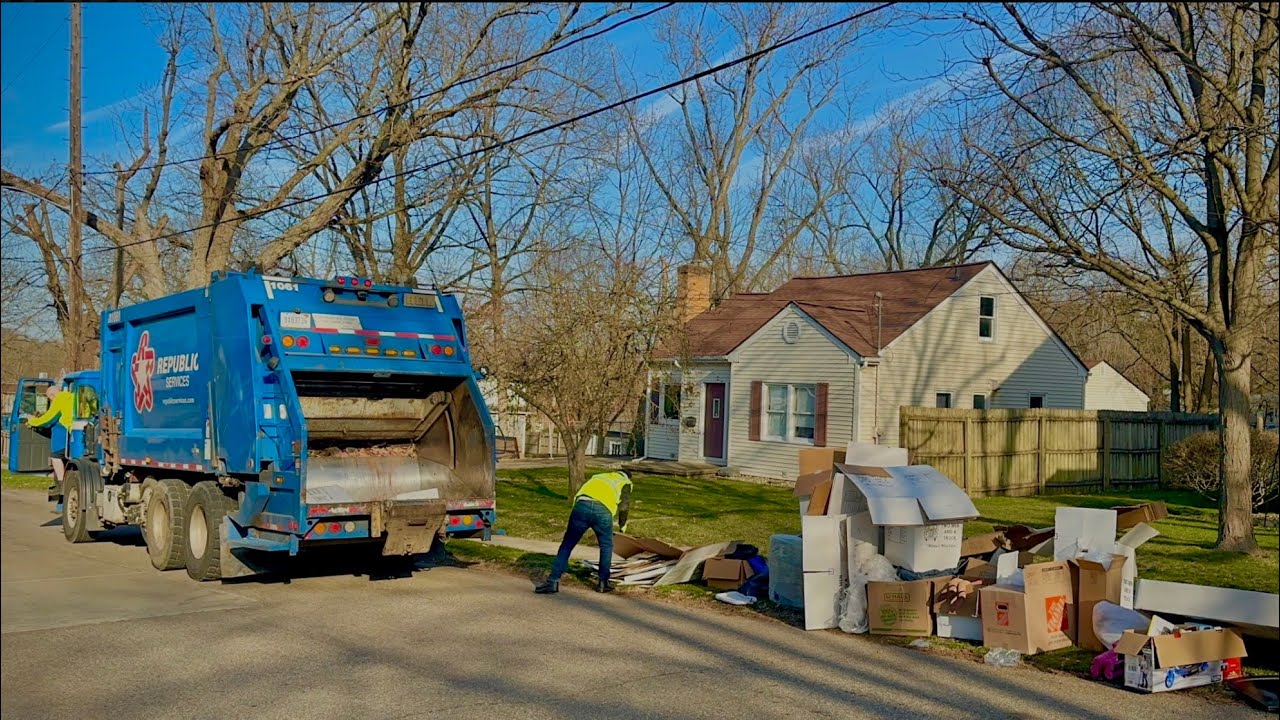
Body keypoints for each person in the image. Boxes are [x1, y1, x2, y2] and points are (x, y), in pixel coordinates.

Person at [535, 471, 633, 595]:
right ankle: (603, 583)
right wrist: (622, 526)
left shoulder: (599, 476)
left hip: (582, 506)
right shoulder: (626, 483)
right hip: (602, 511)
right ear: (628, 477)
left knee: (567, 545)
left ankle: (553, 581)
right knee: (606, 546)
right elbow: (624, 506)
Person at [26, 384, 75, 490]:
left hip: (64, 432)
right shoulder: (71, 396)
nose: (51, 402)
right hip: (75, 433)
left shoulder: (60, 400)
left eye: (50, 399)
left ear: (52, 395)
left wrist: (32, 421)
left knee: (56, 456)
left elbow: (48, 419)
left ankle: (62, 483)